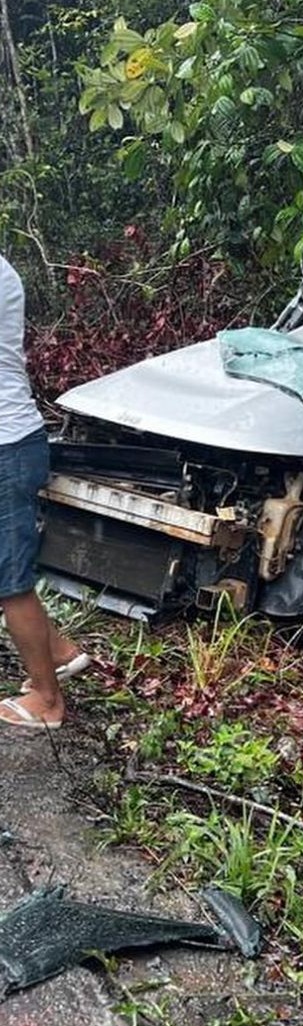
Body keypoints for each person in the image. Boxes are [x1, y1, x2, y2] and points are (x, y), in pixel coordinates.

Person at [0, 252, 88, 730]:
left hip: (5, 447)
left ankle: (48, 702)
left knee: (10, 582)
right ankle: (58, 652)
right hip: (12, 441)